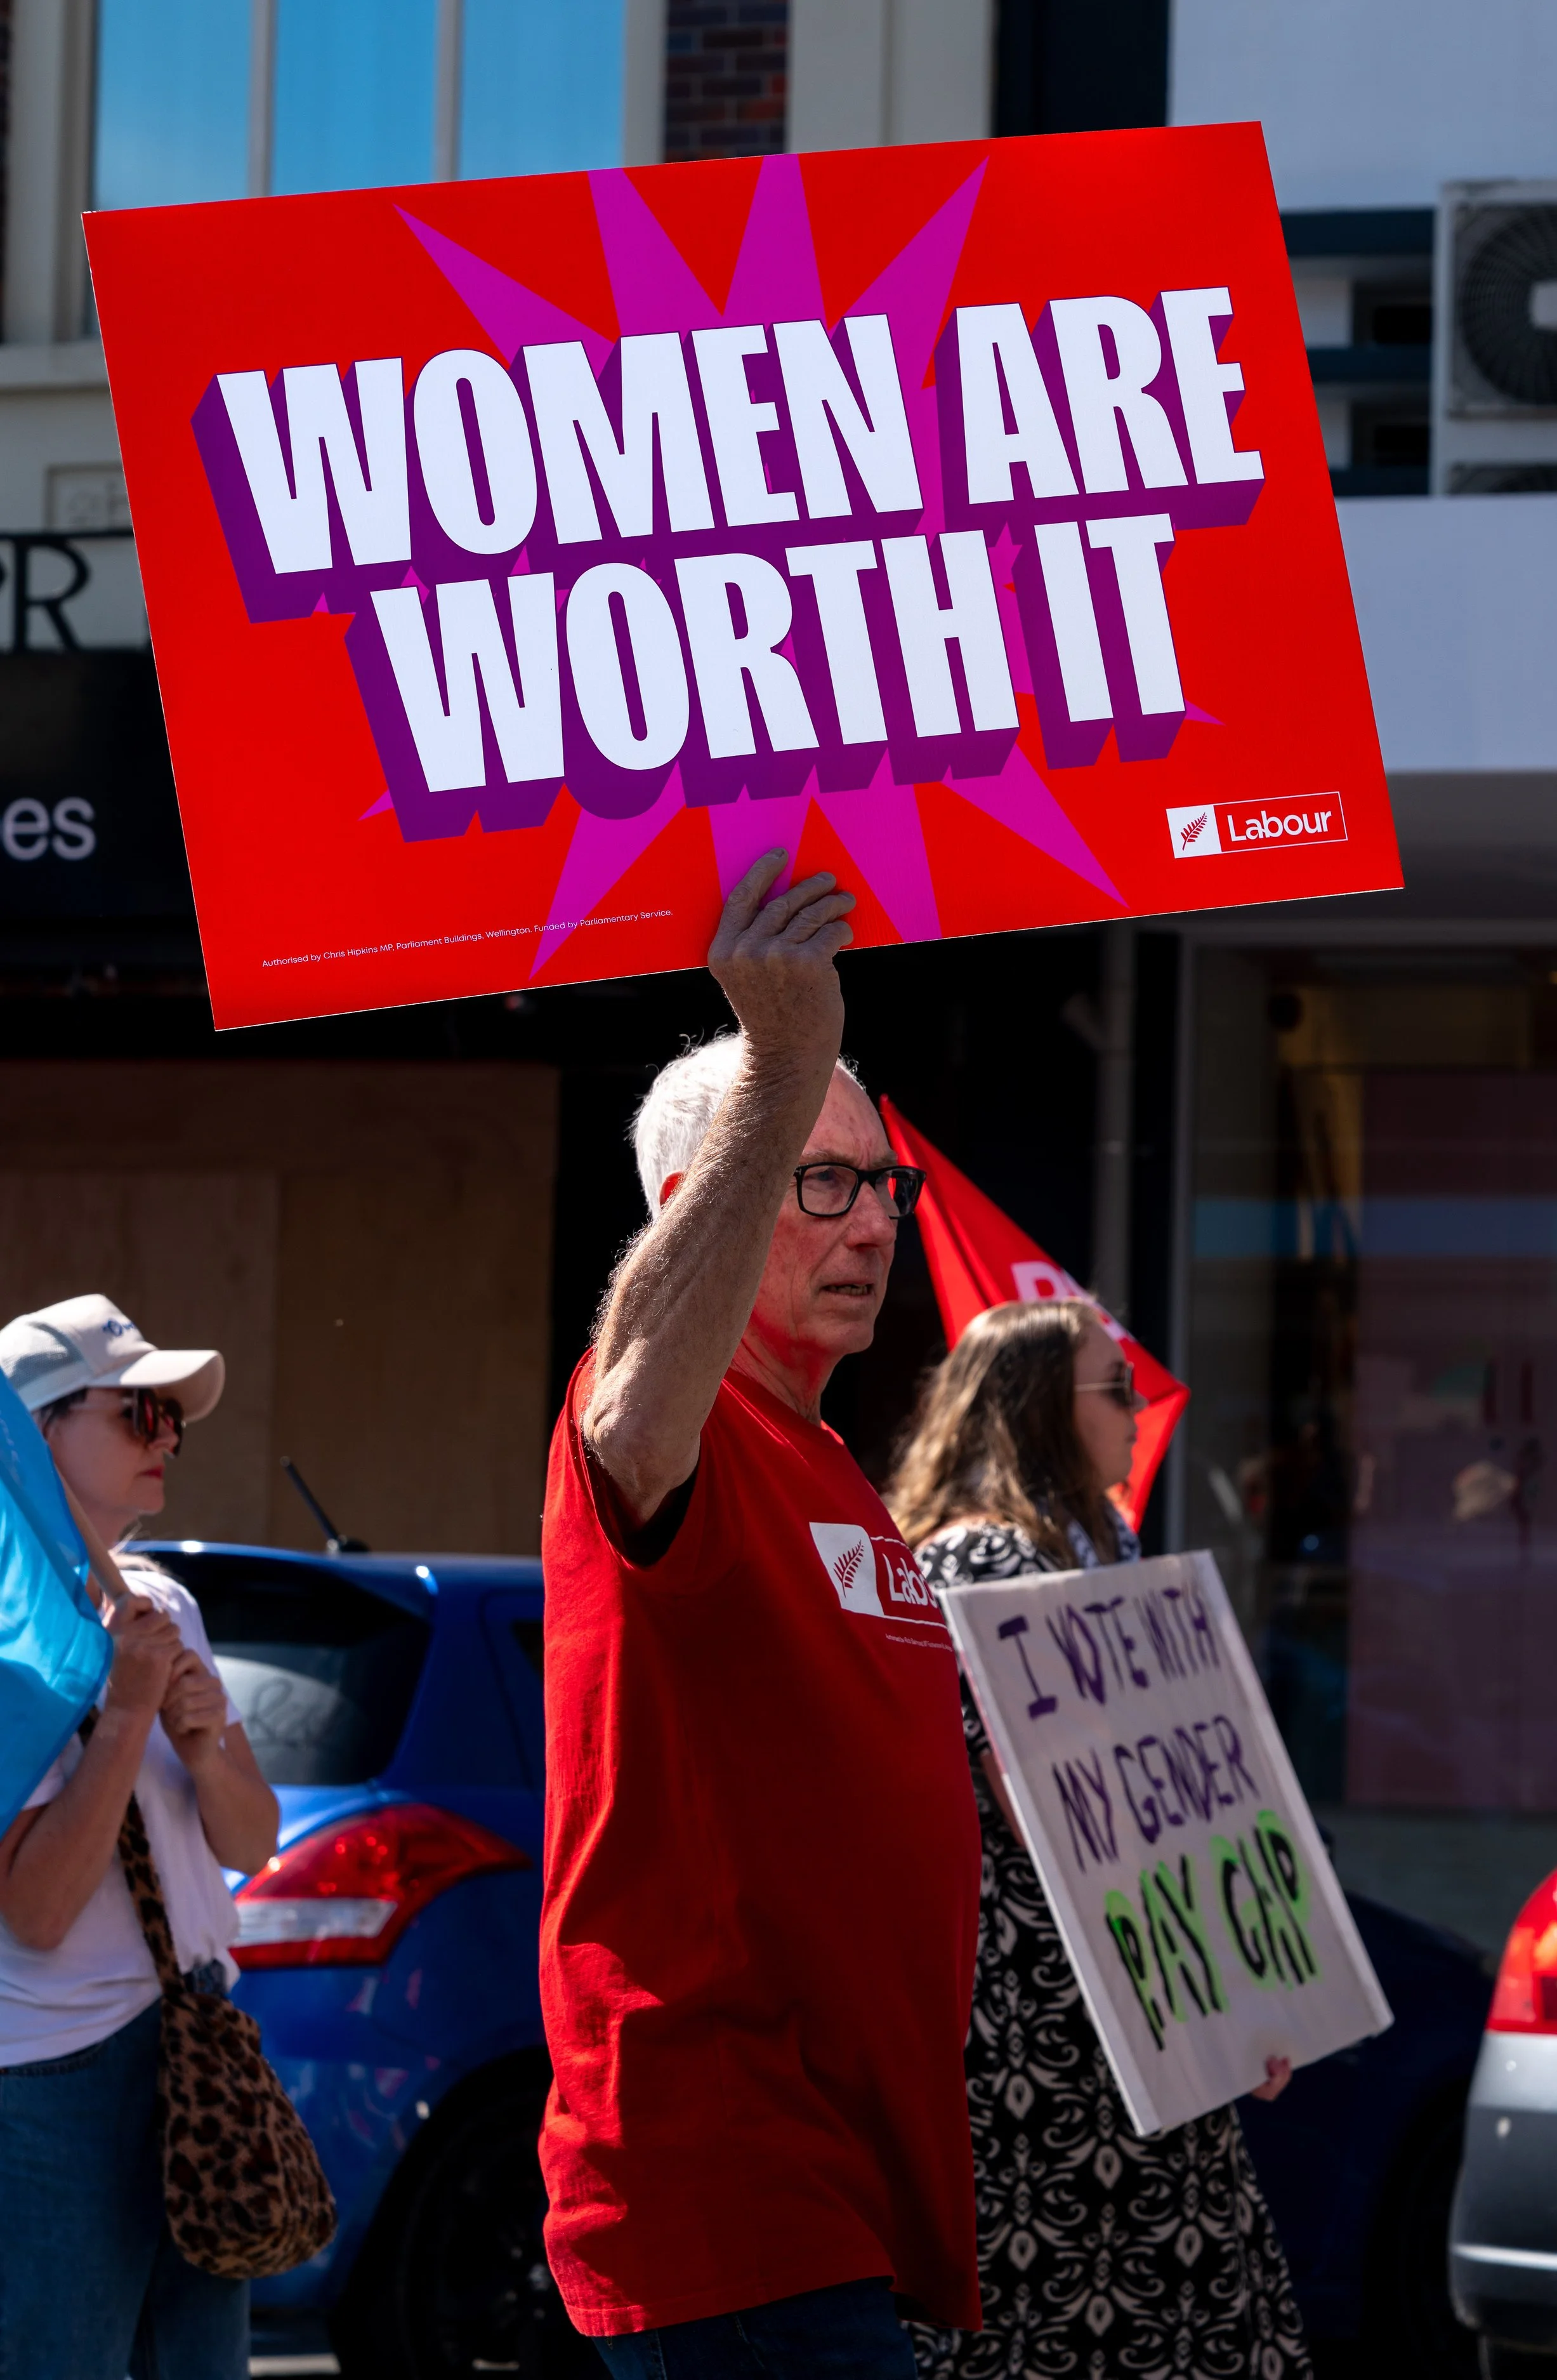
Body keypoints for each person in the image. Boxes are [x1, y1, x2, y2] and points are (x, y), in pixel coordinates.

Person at [539, 854, 983, 2376]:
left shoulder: (825, 1457)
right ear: (699, 1205)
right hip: (725, 2190)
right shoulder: (680, 1422)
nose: (871, 1227)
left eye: (881, 1184)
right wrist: (784, 1059)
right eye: (819, 1178)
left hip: (849, 2188)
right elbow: (629, 1409)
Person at [887, 1297, 1311, 2380]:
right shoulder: (981, 1564)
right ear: (1039, 1408)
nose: (1138, 1409)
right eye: (1115, 1387)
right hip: (1051, 2046)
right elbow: (1055, 1805)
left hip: (1134, 2025)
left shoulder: (1093, 1549)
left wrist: (1242, 1997)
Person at [0, 1293, 280, 2380]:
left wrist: (204, 1745)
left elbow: (250, 1840)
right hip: (55, 2084)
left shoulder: (163, 1603)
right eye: (138, 1413)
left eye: (173, 1417)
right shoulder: (18, 1643)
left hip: (194, 2050)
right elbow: (35, 1908)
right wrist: (123, 1716)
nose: (167, 1436)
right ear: (35, 1433)